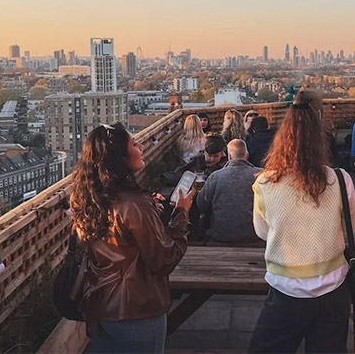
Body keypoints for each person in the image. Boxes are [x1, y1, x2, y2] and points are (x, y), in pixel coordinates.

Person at [71, 123, 193, 353]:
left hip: (102, 306)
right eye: (135, 144)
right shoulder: (135, 204)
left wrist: (150, 212)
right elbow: (164, 259)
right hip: (138, 310)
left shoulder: (87, 198)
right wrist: (181, 214)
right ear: (120, 157)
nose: (142, 147)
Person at [249, 96, 355, 353]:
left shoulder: (265, 183)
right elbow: (349, 229)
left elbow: (262, 232)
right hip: (333, 289)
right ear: (320, 138)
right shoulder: (341, 180)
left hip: (286, 290)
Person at [195, 139, 262, 243]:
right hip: (254, 235)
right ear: (247, 155)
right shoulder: (261, 176)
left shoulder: (215, 177)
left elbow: (201, 205)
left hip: (220, 235)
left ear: (229, 157)